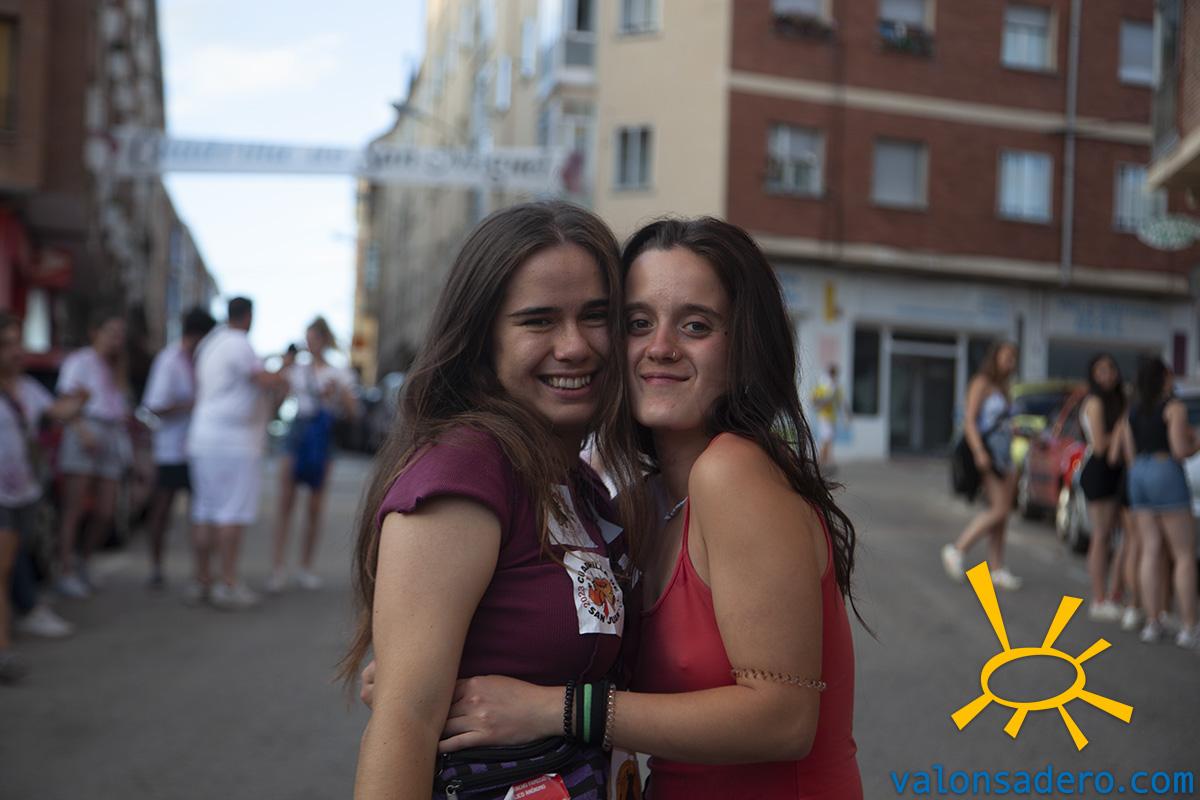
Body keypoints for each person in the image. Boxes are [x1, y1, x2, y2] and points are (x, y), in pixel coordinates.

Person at [380, 217, 864, 799]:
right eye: (638, 323)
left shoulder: (733, 472)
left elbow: (785, 719)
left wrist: (556, 708)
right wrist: (430, 665)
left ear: (744, 346)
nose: (661, 348)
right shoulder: (642, 503)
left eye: (695, 325)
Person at [342, 202, 649, 799]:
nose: (574, 346)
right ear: (483, 341)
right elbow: (404, 722)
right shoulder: (465, 470)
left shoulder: (573, 479)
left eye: (595, 316)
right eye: (538, 321)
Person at [0, 311, 88, 682]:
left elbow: (55, 412)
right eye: (7, 344)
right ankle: (4, 649)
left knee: (11, 564)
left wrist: (80, 401)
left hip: (22, 491)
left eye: (17, 342)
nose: (16, 351)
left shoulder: (26, 388)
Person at [185, 297, 288, 611]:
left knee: (205, 511)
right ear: (248, 317)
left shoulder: (209, 344)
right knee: (231, 513)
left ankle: (203, 579)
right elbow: (264, 379)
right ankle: (227, 583)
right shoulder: (239, 343)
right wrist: (285, 369)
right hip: (235, 442)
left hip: (203, 438)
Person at [267, 316, 358, 592]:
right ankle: (278, 567)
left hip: (322, 436)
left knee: (315, 507)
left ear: (324, 340)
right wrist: (284, 370)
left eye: (314, 338)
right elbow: (276, 405)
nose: (309, 344)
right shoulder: (296, 370)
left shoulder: (339, 373)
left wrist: (337, 395)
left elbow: (353, 412)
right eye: (307, 339)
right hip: (297, 433)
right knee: (286, 502)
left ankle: (305, 567)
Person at [1116, 358, 1199, 648]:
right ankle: (1189, 627)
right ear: (1164, 378)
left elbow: (1129, 452)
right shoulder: (1173, 408)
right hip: (1165, 472)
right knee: (1183, 554)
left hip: (1138, 474)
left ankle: (1153, 622)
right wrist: (1196, 441)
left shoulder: (1133, 410)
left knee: (1149, 549)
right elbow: (1179, 449)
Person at [54, 310, 131, 597]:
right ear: (95, 332)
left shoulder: (117, 367)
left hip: (111, 434)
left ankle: (84, 561)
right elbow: (66, 402)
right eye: (111, 332)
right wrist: (80, 429)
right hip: (85, 430)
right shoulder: (80, 361)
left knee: (106, 510)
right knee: (74, 508)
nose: (116, 340)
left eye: (120, 334)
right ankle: (66, 570)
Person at [140, 306, 216, 589]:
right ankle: (156, 566)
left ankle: (201, 573)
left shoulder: (200, 360)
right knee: (162, 508)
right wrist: (190, 405)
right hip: (171, 449)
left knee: (201, 512)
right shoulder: (169, 361)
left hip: (198, 447)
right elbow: (154, 405)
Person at [941, 342, 1022, 590]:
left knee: (1002, 514)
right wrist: (979, 452)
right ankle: (957, 549)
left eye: (1013, 358)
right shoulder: (981, 382)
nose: (1010, 362)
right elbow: (969, 421)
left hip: (1005, 454)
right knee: (998, 510)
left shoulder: (1003, 387)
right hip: (988, 453)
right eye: (1006, 357)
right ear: (995, 357)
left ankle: (997, 567)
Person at [1078, 354, 1127, 621]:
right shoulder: (1095, 402)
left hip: (1115, 471)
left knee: (1115, 536)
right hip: (1099, 471)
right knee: (1101, 535)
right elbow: (1099, 446)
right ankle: (1098, 599)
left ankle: (1112, 594)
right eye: (1101, 370)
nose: (1107, 375)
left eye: (1111, 369)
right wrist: (1120, 428)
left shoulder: (1117, 400)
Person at [811, 364, 846, 470]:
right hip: (825, 417)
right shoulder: (825, 385)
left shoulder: (834, 386)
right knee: (826, 440)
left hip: (831, 417)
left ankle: (823, 463)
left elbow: (840, 402)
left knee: (828, 441)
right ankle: (820, 463)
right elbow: (814, 399)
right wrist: (824, 401)